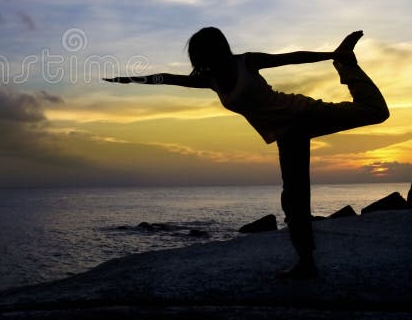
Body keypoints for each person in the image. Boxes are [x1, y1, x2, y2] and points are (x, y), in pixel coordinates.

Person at [104, 28, 389, 279]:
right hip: (286, 135)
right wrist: (131, 80)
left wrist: (332, 54)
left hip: (303, 114)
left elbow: (290, 57)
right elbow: (168, 78)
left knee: (376, 112)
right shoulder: (210, 80)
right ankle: (306, 262)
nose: (198, 60)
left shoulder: (246, 61)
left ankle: (346, 63)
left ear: (215, 49)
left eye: (200, 52)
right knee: (294, 198)